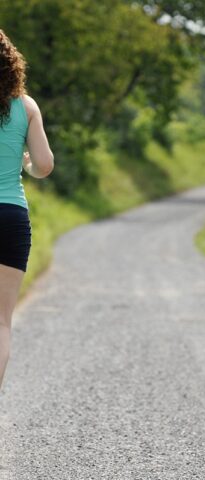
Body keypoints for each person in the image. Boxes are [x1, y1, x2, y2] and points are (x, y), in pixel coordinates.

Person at [0, 29, 54, 390]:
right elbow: (44, 164)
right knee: (1, 321)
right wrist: (25, 165)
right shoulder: (26, 106)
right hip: (10, 217)